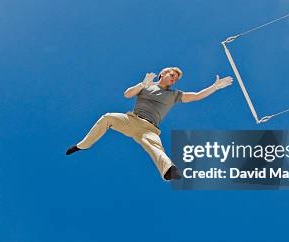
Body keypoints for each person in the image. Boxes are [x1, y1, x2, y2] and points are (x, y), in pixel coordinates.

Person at [66, 67, 233, 180]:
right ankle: (83, 145)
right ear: (163, 74)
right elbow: (127, 94)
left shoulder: (175, 94)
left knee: (153, 145)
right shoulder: (147, 87)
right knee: (108, 117)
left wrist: (215, 87)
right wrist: (143, 84)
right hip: (131, 120)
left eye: (176, 79)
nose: (174, 80)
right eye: (172, 76)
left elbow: (196, 96)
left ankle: (169, 170)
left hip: (149, 128)